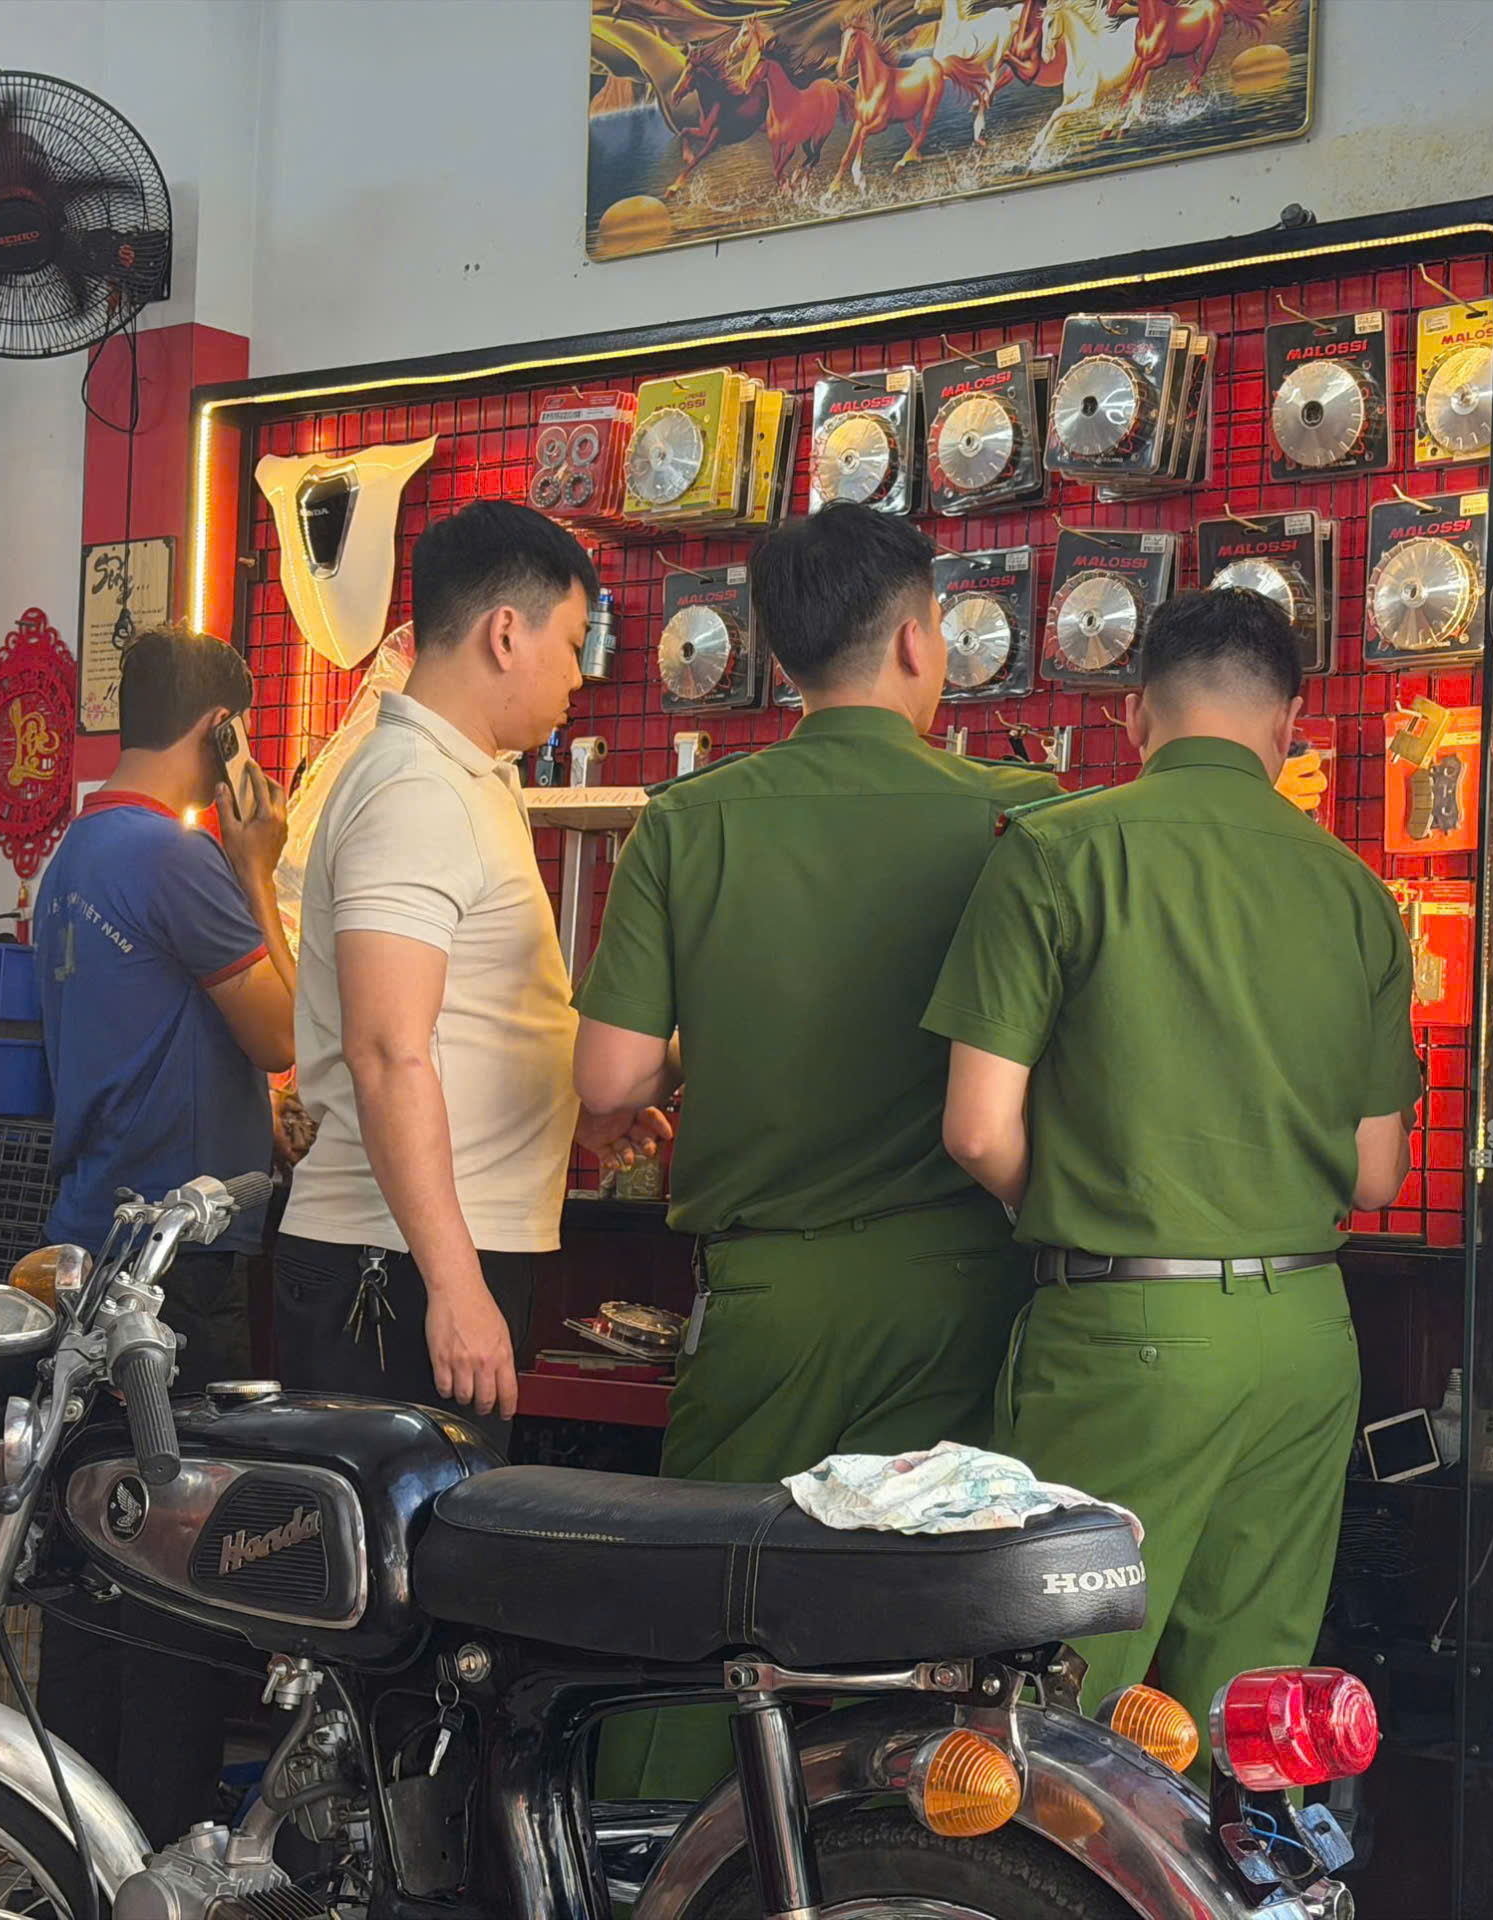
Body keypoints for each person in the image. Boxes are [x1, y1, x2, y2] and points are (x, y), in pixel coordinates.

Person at [575, 503, 1061, 1798]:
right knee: (933, 1648)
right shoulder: (1019, 815)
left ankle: (651, 1862)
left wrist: (708, 1045)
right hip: (964, 1291)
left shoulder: (689, 821)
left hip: (766, 1299)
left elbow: (609, 1080)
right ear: (915, 642)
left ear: (775, 653)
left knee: (713, 1625)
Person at [925, 586, 1421, 1761]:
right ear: (1289, 727)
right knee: (1251, 1717)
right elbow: (1376, 1173)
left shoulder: (1059, 851)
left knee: (1047, 1709)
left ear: (1136, 714)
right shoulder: (1355, 890)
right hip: (1305, 1337)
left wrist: (1074, 1197)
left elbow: (977, 1131)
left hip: (1127, 1332)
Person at [274, 501, 668, 1447]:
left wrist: (571, 1106)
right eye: (570, 644)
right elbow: (387, 1051)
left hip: (427, 1249)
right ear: (504, 634)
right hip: (394, 1265)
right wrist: (453, 1284)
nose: (578, 675)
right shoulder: (416, 790)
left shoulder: (467, 778)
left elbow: (469, 1023)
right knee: (398, 1539)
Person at [31, 622, 295, 1846]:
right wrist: (257, 863)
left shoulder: (76, 852)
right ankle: (161, 1850)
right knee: (181, 1569)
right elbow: (283, 1031)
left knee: (93, 1562)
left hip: (87, 1247)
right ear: (221, 731)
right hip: (174, 1270)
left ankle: (76, 1845)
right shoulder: (181, 861)